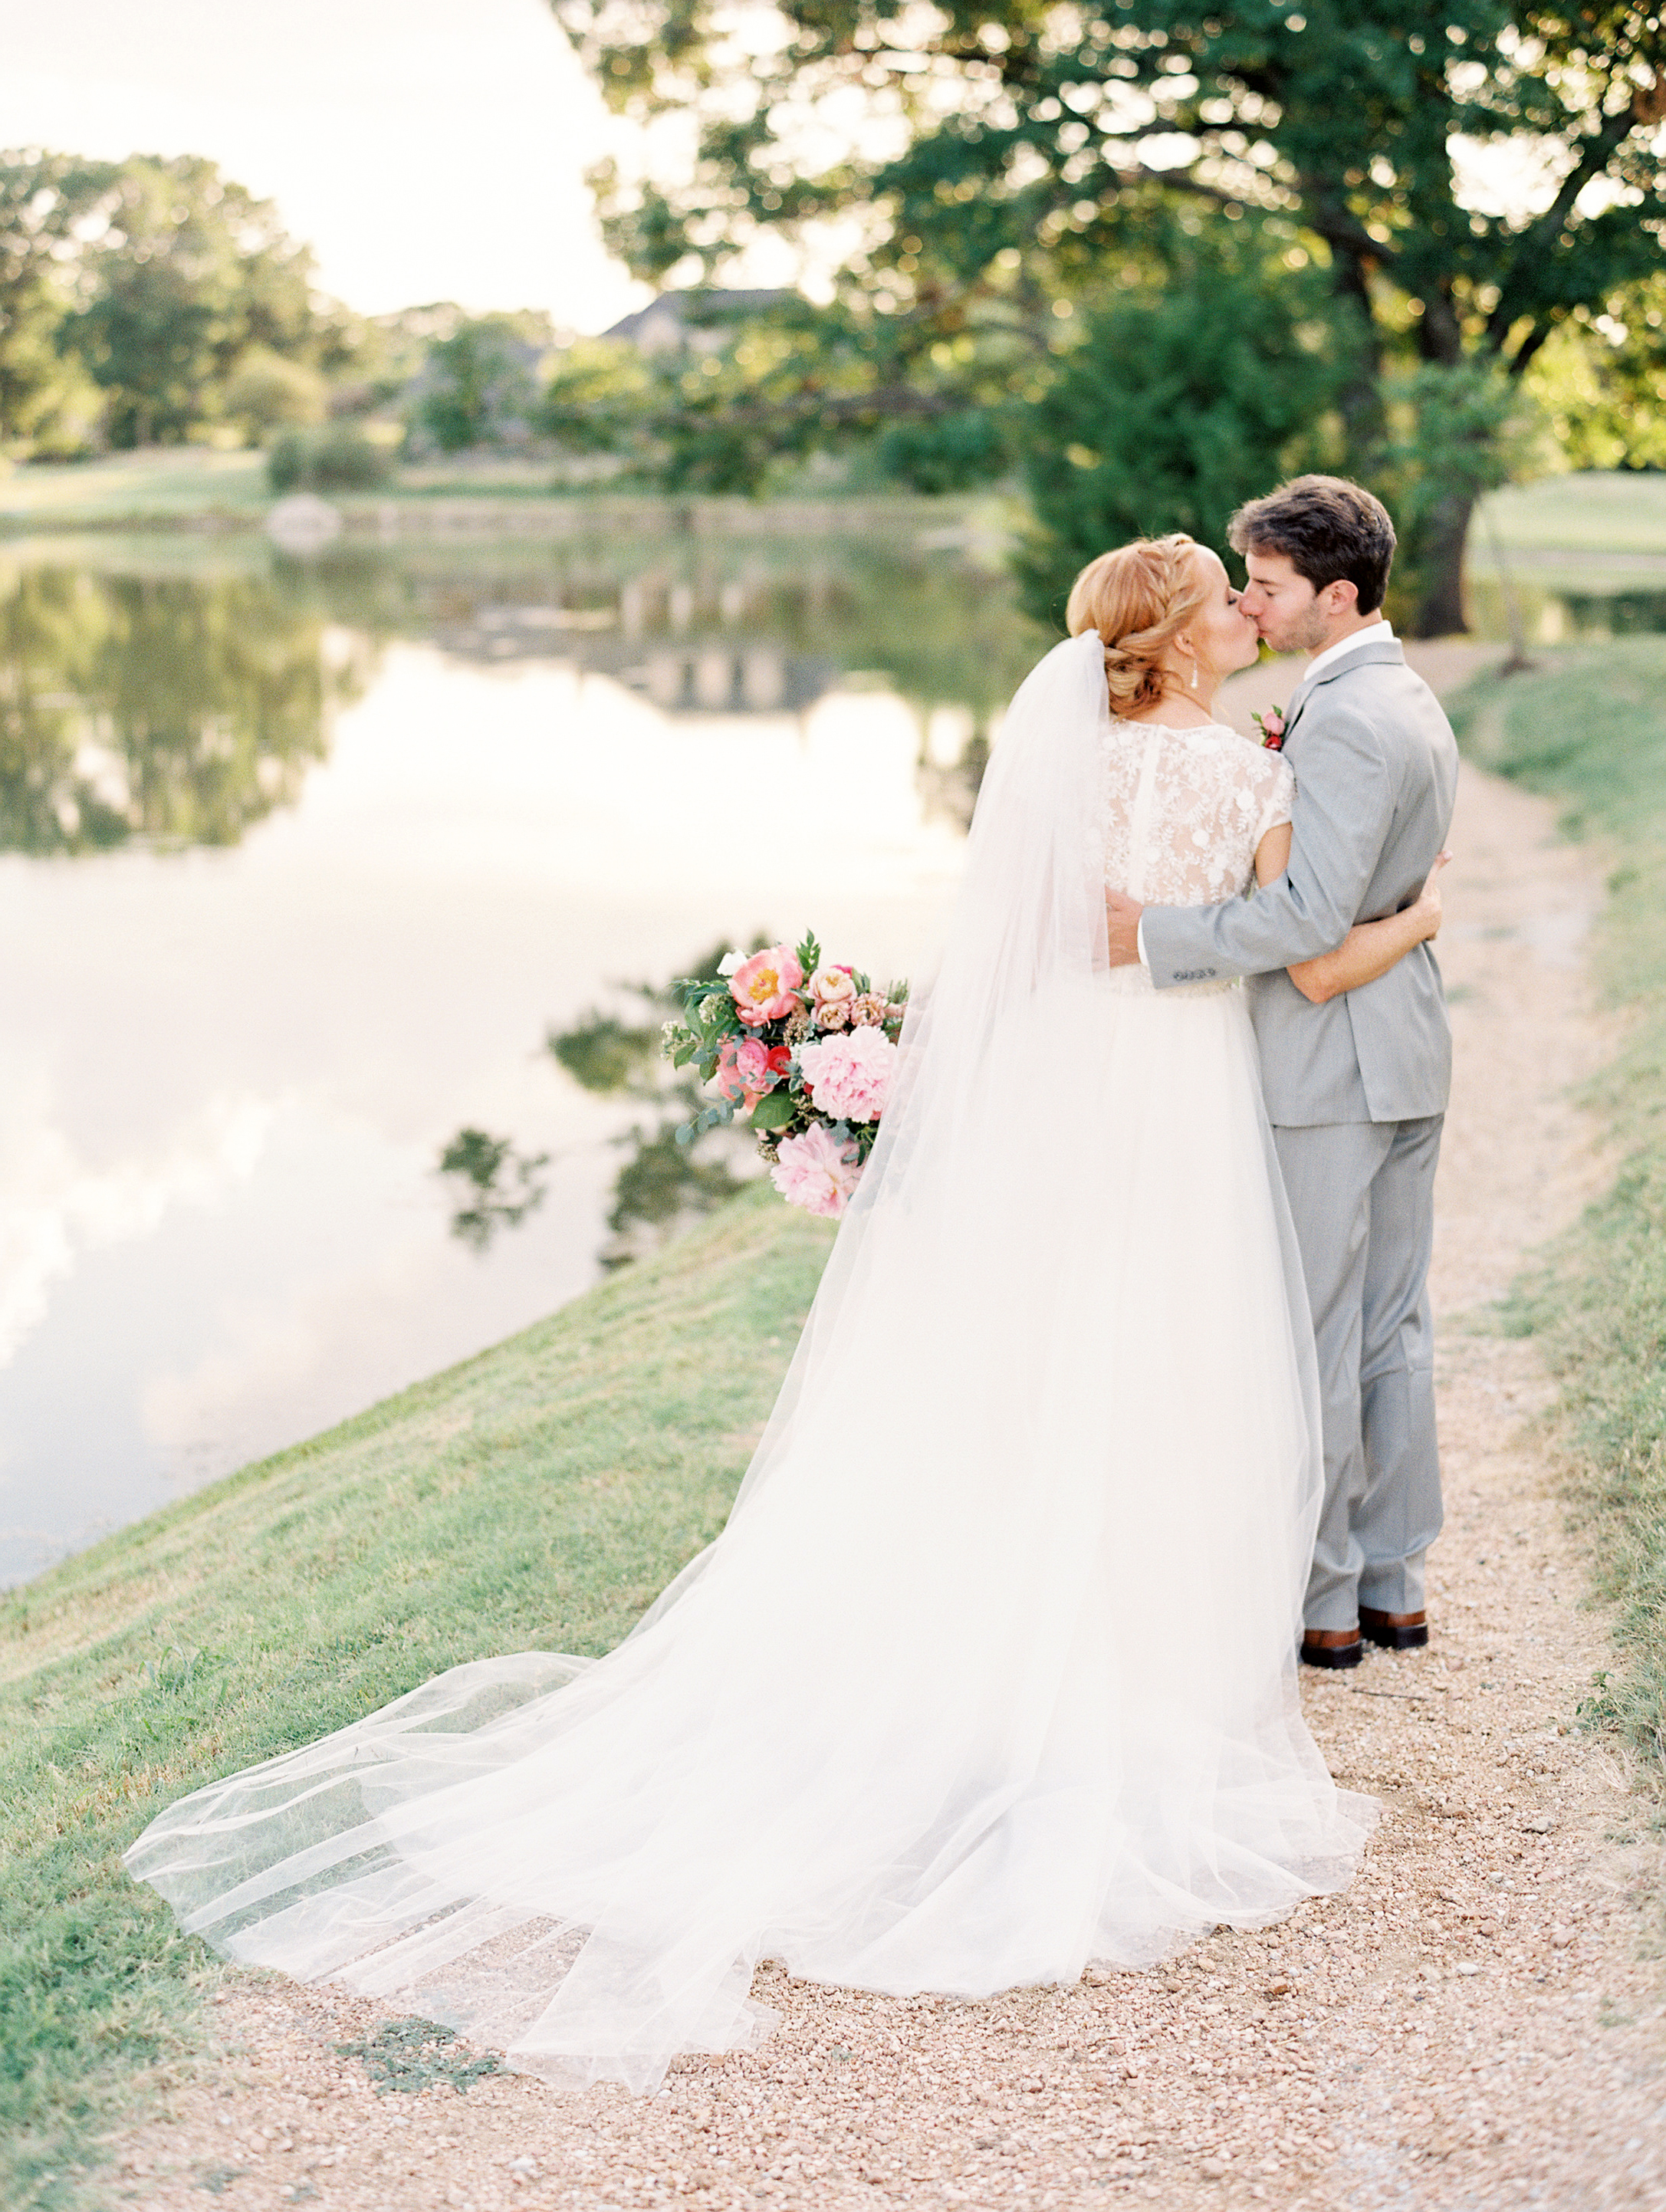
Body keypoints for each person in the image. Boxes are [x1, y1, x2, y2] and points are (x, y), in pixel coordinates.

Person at [126, 531, 1441, 2097]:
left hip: (1053, 1091)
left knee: (1019, 1370)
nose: (1247, 610)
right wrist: (1420, 926)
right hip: (1170, 1095)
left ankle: (986, 1662)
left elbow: (1032, 944)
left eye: (1255, 590)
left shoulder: (1067, 764)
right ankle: (1121, 1680)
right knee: (1163, 1372)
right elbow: (1287, 932)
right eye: (1223, 598)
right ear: (1176, 640)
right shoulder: (1239, 772)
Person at [1107, 478, 1460, 1671]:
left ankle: (1321, 1598)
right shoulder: (1403, 694)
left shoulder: (1349, 718)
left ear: (1337, 594)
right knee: (1390, 1326)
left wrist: (1154, 935)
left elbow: (1305, 918)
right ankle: (1391, 1582)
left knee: (1311, 1332)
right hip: (1399, 1050)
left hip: (1332, 1064)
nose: (1252, 607)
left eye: (1266, 587)